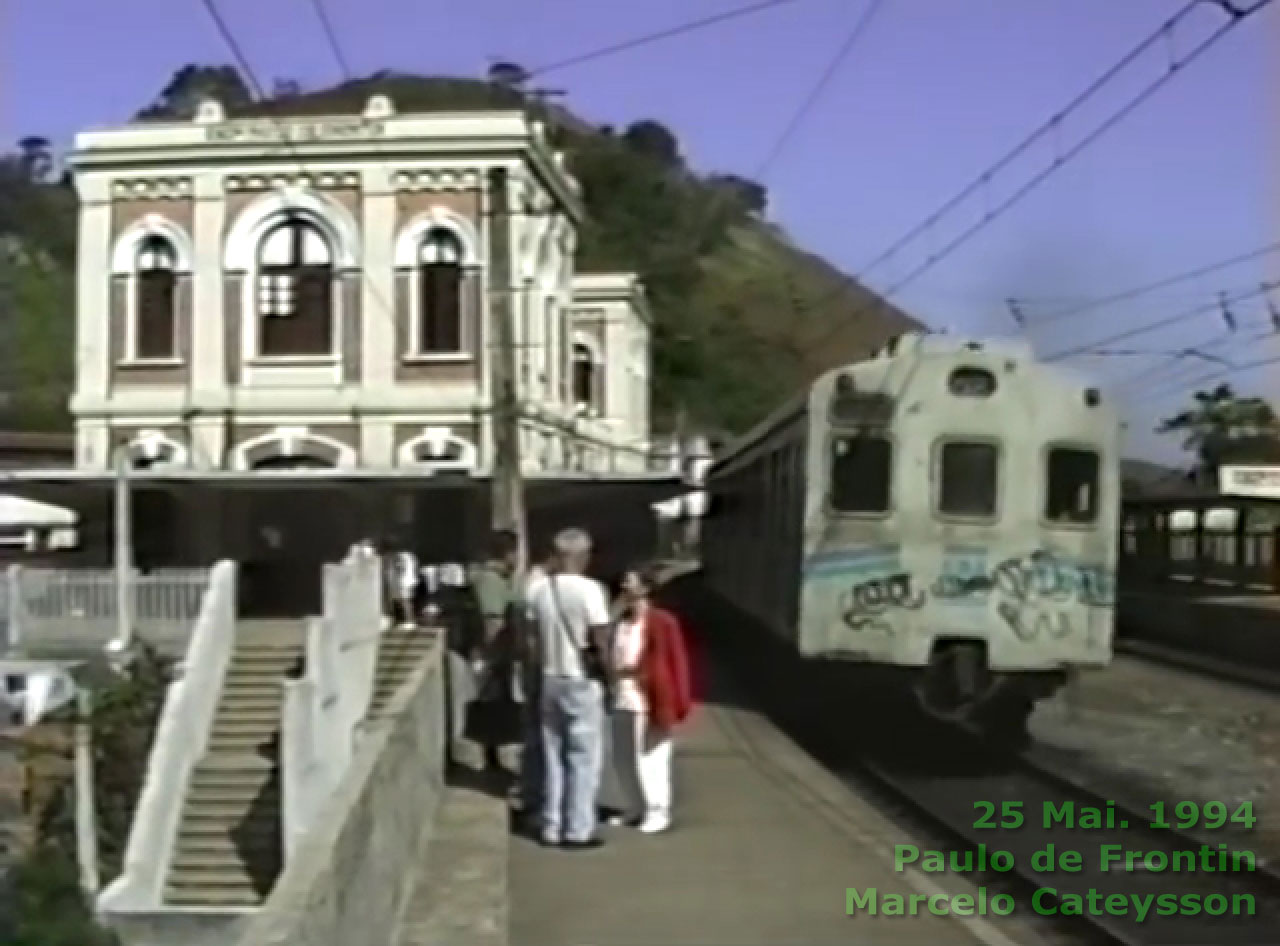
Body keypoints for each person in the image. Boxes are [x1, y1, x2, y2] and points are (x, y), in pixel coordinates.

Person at [525, 528, 613, 849]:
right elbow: (600, 640)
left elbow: (532, 641)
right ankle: (578, 830)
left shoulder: (537, 590)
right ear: (581, 555)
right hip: (581, 680)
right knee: (583, 757)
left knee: (553, 755)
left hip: (549, 677)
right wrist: (610, 677)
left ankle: (551, 825)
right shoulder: (590, 591)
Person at [603, 565, 693, 834]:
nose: (624, 587)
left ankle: (658, 809)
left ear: (646, 588)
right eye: (623, 582)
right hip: (622, 694)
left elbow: (676, 662)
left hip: (649, 697)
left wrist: (676, 701)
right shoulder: (621, 623)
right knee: (623, 757)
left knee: (650, 757)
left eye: (629, 582)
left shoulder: (662, 621)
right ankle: (635, 805)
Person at [466, 531, 522, 773]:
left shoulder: (501, 579)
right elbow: (493, 622)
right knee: (491, 705)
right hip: (494, 653)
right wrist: (493, 657)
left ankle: (494, 754)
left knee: (499, 704)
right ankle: (489, 757)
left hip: (502, 652)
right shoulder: (490, 580)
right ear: (508, 554)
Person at [511, 548, 556, 820]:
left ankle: (532, 793)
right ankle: (535, 797)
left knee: (534, 735)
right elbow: (530, 636)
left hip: (534, 670)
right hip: (542, 671)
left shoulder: (528, 583)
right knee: (541, 737)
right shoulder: (539, 587)